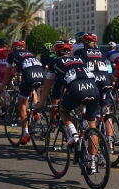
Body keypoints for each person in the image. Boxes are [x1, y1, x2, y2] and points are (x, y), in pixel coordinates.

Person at [35, 40, 100, 172]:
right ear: (69, 51)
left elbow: (47, 87)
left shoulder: (55, 62)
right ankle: (92, 163)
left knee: (63, 110)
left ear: (57, 52)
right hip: (94, 88)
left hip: (77, 89)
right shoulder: (79, 59)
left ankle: (73, 134)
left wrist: (40, 104)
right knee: (92, 125)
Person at [0, 40, 44, 144]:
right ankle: (35, 110)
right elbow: (17, 69)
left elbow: (8, 74)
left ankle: (25, 133)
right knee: (33, 88)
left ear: (13, 48)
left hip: (29, 76)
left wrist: (2, 87)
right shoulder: (30, 53)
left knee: (22, 105)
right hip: (41, 75)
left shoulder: (12, 55)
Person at [0, 38, 12, 117]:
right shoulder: (10, 51)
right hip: (10, 70)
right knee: (10, 86)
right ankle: (12, 101)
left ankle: (3, 109)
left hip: (1, 70)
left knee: (2, 89)